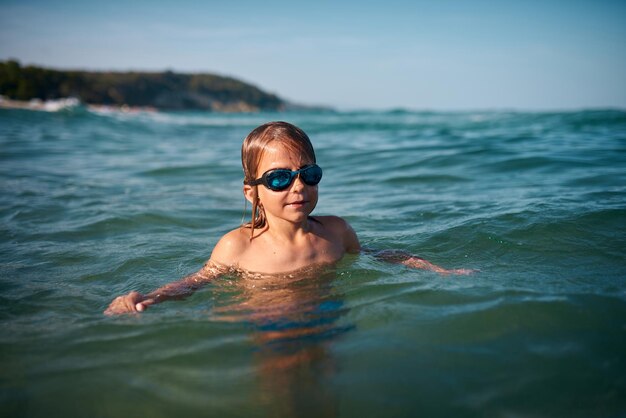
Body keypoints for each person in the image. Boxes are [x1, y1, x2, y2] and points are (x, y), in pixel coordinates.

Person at [105, 121, 471, 315]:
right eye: (279, 178)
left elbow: (379, 255)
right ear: (253, 192)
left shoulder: (336, 232)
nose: (298, 186)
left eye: (307, 174)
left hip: (328, 313)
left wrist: (439, 271)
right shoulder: (237, 246)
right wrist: (149, 298)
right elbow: (194, 283)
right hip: (270, 321)